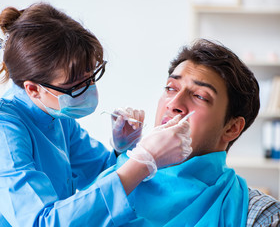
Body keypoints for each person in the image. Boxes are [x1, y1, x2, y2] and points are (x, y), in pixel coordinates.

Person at [0, 2, 193, 226]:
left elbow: (101, 172)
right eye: (75, 85)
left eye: (91, 76)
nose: (89, 89)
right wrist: (144, 160)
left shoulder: (57, 118)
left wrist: (123, 150)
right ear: (33, 88)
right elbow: (43, 222)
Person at [98, 39, 280, 226]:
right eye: (171, 88)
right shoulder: (113, 180)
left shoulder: (262, 215)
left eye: (200, 96)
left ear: (231, 128)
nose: (174, 104)